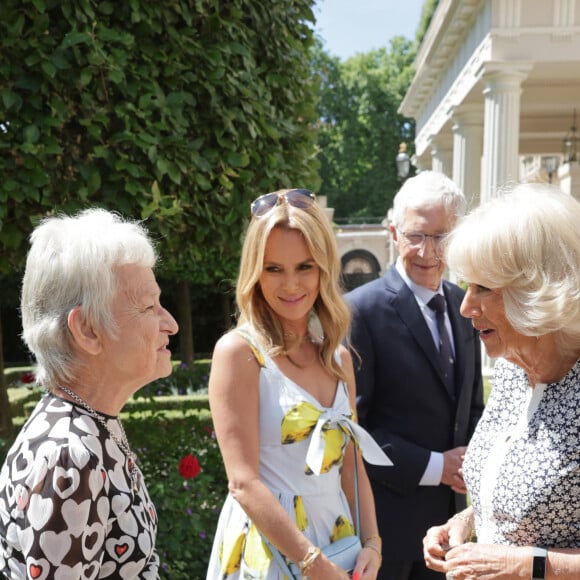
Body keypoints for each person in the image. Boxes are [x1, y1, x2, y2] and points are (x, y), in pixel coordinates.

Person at [206, 188, 392, 580]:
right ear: (255, 272)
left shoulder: (338, 358)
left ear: (324, 267)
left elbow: (351, 465)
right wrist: (313, 565)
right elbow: (242, 482)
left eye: (304, 267)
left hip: (339, 544)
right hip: (270, 552)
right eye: (274, 269)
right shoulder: (238, 353)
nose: (290, 285)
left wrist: (372, 543)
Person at [0, 208, 179, 578]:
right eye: (149, 306)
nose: (171, 324)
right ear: (88, 331)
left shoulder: (87, 425)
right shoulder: (69, 456)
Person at [423, 184, 580, 580]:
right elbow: (528, 499)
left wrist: (530, 565)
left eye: (483, 288)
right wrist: (465, 522)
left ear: (537, 290)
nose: (464, 306)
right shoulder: (512, 370)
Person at [345, 171, 485, 580]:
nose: (428, 251)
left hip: (451, 530)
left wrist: (470, 462)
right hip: (385, 529)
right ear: (393, 232)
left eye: (442, 237)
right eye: (416, 236)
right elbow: (355, 429)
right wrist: (435, 466)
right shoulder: (360, 311)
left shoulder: (466, 303)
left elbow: (472, 404)